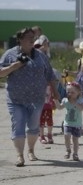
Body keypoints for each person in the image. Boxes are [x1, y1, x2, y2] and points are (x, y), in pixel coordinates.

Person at [0, 27, 60, 167]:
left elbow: (50, 74)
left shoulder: (40, 55)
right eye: (28, 37)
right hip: (16, 100)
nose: (31, 39)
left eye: (32, 37)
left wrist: (55, 91)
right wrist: (15, 66)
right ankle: (20, 156)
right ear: (20, 40)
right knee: (18, 125)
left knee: (33, 127)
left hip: (37, 99)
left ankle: (31, 151)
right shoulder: (10, 54)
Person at [61, 82, 83, 161]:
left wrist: (75, 103)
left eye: (72, 92)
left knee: (75, 139)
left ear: (78, 93)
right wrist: (55, 101)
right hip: (67, 123)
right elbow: (60, 107)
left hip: (77, 124)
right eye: (68, 92)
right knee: (66, 136)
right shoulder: (65, 100)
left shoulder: (81, 100)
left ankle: (75, 153)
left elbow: (81, 109)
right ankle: (68, 150)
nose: (70, 94)